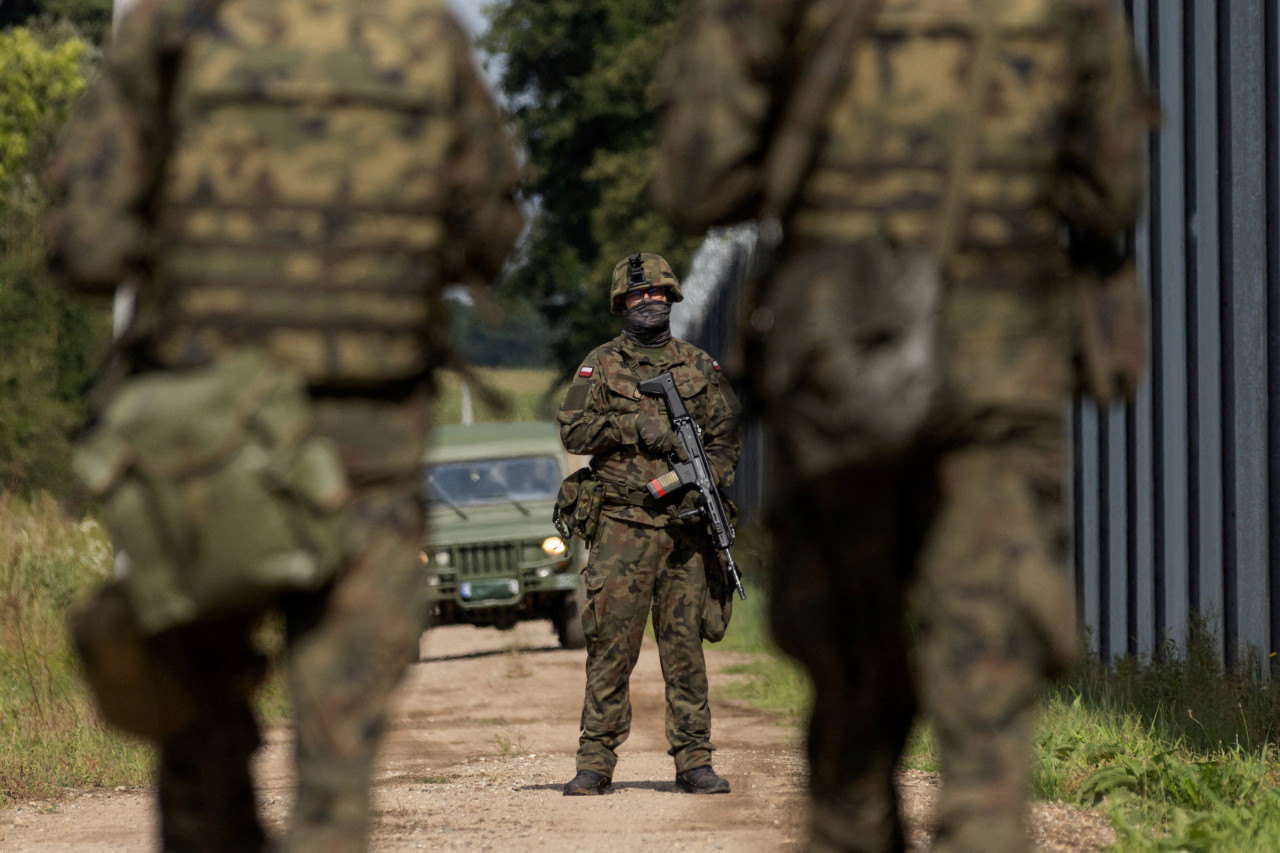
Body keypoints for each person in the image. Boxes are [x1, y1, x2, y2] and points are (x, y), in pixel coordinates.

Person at [653, 0, 1154, 850]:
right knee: (989, 640)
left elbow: (697, 180)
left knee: (852, 657)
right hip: (1000, 355)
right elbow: (1111, 192)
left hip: (840, 348)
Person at [44, 0, 522, 850]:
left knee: (192, 720)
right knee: (337, 764)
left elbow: (86, 246)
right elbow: (489, 231)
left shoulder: (173, 26)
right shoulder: (423, 33)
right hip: (366, 450)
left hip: (206, 447)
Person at [557, 252, 742, 796]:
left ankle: (693, 760)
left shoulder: (699, 366)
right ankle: (595, 761)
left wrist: (705, 477)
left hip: (685, 531)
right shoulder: (598, 365)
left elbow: (727, 435)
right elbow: (574, 431)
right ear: (622, 303)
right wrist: (634, 424)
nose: (648, 302)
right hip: (620, 526)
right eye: (638, 296)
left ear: (672, 299)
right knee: (611, 645)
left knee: (685, 647)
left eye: (657, 293)